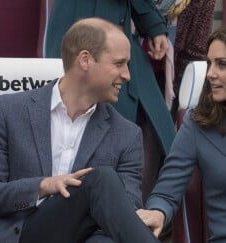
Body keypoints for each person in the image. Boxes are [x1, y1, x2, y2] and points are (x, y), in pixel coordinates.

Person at [0, 18, 226, 243]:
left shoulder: (126, 134)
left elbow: (126, 210)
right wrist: (42, 186)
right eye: (120, 63)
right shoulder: (7, 111)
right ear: (85, 60)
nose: (127, 75)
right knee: (98, 178)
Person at [44, 0, 177, 202]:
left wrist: (152, 25)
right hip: (78, 23)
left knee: (155, 127)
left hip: (120, 30)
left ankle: (137, 215)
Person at [138, 27, 226, 243]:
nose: (210, 73)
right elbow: (168, 188)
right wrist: (157, 211)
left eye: (221, 65)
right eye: (210, 63)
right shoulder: (197, 125)